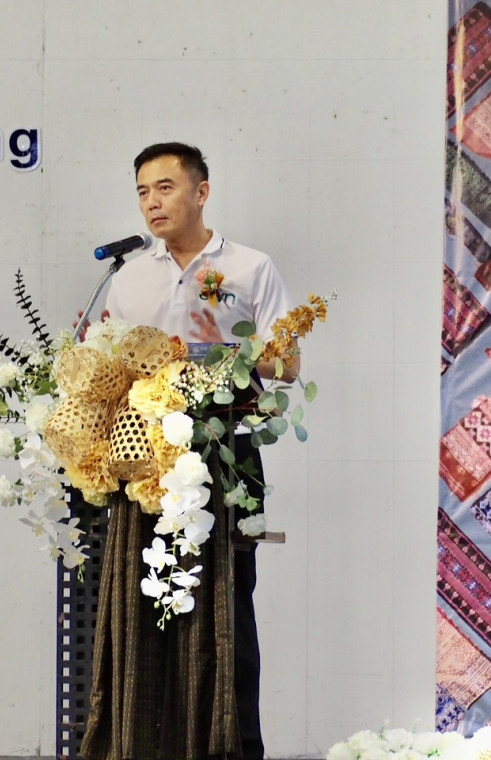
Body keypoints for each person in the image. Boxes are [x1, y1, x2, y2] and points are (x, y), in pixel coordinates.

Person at [80, 142, 297, 760]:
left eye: (165, 187)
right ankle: (142, 743)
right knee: (142, 605)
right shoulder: (127, 277)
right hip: (144, 457)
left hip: (226, 453)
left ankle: (230, 746)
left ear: (201, 193)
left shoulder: (250, 268)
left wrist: (213, 352)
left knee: (225, 607)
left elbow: (287, 363)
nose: (152, 202)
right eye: (143, 192)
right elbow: (113, 370)